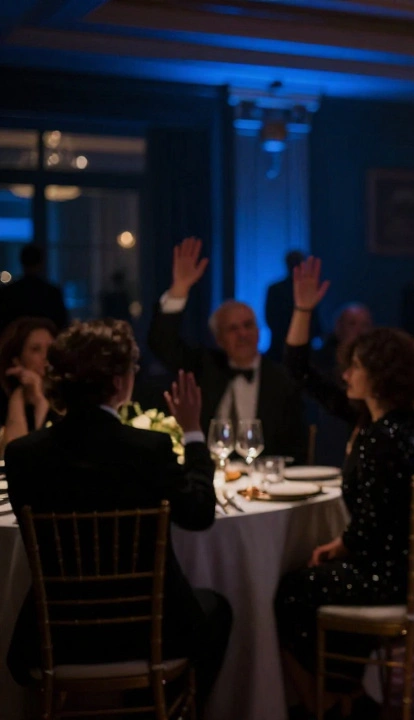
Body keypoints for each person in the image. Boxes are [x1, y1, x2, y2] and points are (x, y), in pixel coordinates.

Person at [3, 321, 230, 710]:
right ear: (120, 381)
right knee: (217, 610)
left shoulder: (23, 455)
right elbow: (199, 513)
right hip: (149, 633)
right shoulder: (147, 449)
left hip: (54, 638)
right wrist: (193, 433)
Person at [276, 257, 414, 718]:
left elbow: (373, 527)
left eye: (354, 368)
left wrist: (343, 545)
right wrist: (303, 310)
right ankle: (349, 695)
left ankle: (324, 705)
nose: (345, 375)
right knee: (314, 580)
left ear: (378, 375)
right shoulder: (406, 421)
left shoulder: (379, 438)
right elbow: (300, 370)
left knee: (291, 591)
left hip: (394, 576)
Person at [148, 237, 307, 459]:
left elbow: (296, 449)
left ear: (259, 332)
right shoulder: (204, 367)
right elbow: (162, 343)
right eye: (232, 329)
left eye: (248, 325)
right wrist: (179, 289)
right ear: (218, 339)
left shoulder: (282, 379)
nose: (242, 334)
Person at [0, 317, 56, 454]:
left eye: (51, 348)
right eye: (36, 349)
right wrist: (19, 396)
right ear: (17, 360)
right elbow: (14, 456)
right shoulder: (10, 401)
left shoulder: (67, 400)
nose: (46, 356)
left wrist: (40, 401)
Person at [0, 244, 69, 336]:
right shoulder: (51, 292)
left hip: (15, 341)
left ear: (21, 262)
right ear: (41, 263)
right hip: (46, 340)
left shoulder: (9, 292)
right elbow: (61, 323)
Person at [265, 251, 319, 362]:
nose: (295, 266)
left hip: (305, 344)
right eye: (293, 263)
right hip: (279, 345)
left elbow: (314, 317)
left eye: (298, 262)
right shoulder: (276, 289)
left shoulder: (308, 288)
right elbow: (271, 318)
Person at [315, 303, 374, 377]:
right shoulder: (321, 358)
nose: (359, 330)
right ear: (339, 326)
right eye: (352, 324)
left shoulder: (375, 360)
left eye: (365, 325)